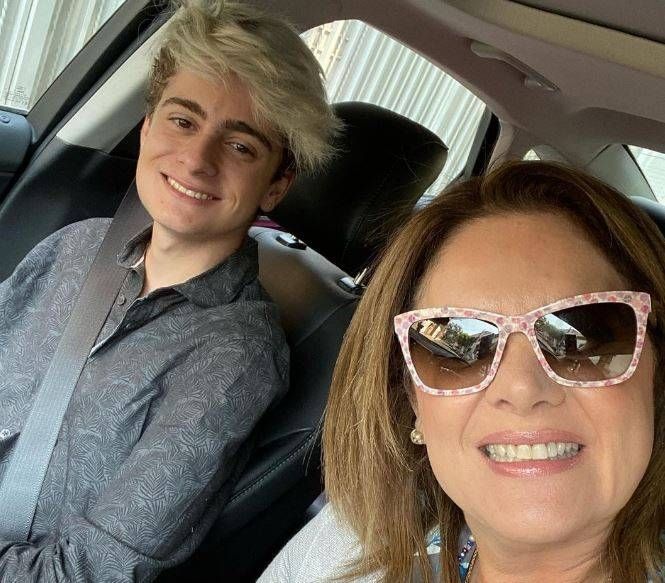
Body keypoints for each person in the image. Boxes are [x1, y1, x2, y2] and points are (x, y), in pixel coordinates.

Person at [0, 0, 339, 581]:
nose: (197, 159)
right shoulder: (76, 245)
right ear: (146, 127)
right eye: (183, 121)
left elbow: (88, 571)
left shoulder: (235, 356)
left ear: (276, 185)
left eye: (241, 146)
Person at [260, 161, 665, 582]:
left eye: (586, 337)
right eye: (458, 351)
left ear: (657, 375)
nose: (521, 388)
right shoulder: (347, 546)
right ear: (413, 400)